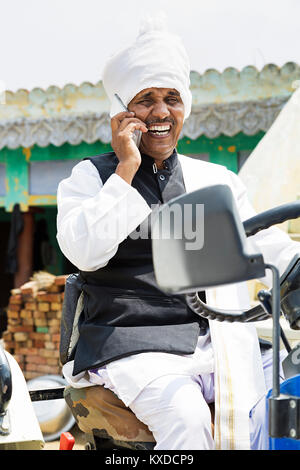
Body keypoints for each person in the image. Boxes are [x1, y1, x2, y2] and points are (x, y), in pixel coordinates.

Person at [56, 16, 300, 450]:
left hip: (218, 337)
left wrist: (294, 267)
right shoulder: (90, 178)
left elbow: (263, 243)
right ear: (121, 110)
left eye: (172, 98)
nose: (162, 112)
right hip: (131, 344)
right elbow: (84, 252)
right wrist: (126, 169)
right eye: (145, 100)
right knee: (187, 420)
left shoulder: (214, 179)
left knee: (286, 399)